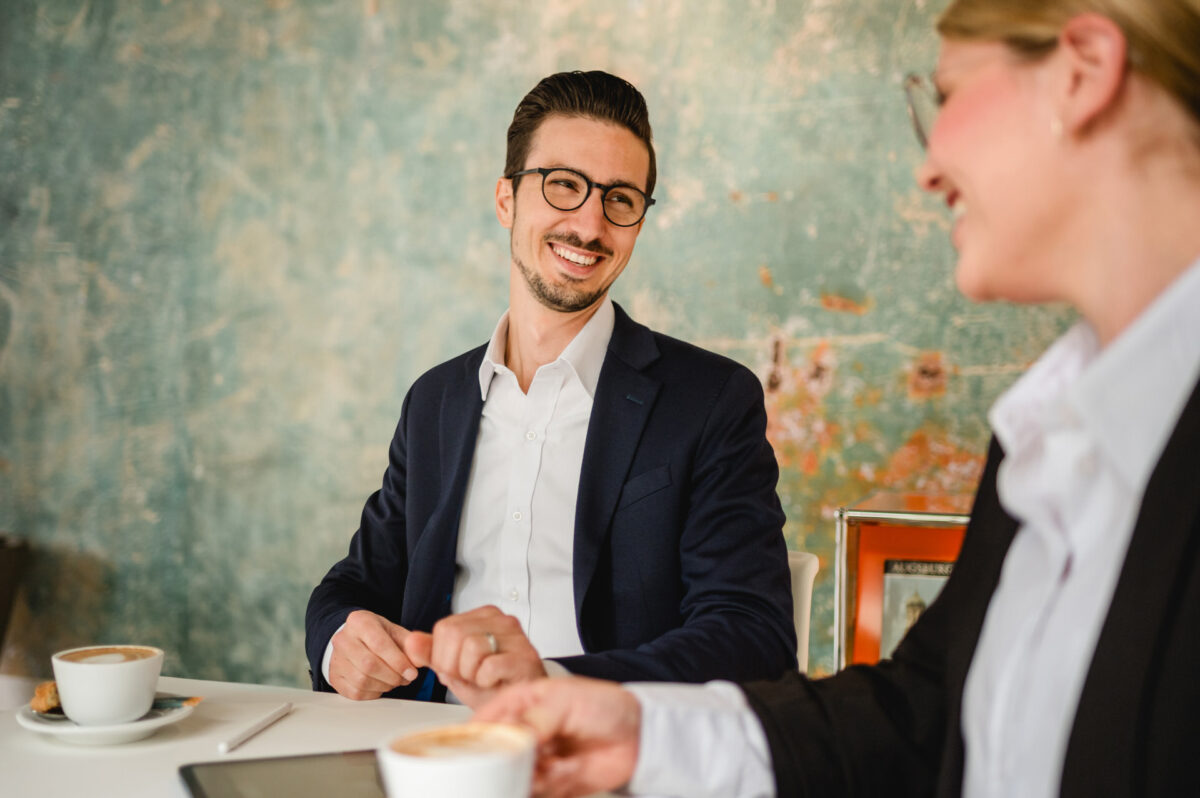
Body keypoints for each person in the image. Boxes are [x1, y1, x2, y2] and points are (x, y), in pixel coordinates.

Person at [475, 2, 1200, 796]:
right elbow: (925, 712)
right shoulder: (1042, 435)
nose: (927, 166)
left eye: (948, 94)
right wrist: (648, 735)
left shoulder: (710, 400)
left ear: (1083, 72)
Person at [304, 71, 797, 708]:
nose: (590, 224)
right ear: (506, 199)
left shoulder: (711, 401)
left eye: (620, 199)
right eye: (564, 185)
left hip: (608, 761)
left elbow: (751, 636)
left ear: (638, 224)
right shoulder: (434, 402)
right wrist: (338, 638)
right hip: (440, 755)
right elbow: (355, 585)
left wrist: (555, 688)